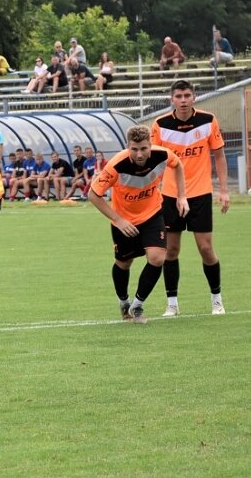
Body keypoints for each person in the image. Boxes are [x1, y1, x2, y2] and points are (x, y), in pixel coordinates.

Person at [88, 125, 188, 324]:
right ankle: (124, 302)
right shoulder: (116, 165)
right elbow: (93, 194)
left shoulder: (163, 155)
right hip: (124, 220)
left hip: (152, 214)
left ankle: (137, 305)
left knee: (157, 257)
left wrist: (182, 196)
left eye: (143, 148)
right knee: (124, 263)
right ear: (128, 146)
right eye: (134, 149)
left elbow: (177, 166)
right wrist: (118, 220)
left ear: (150, 145)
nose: (139, 153)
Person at [151, 79, 230, 316]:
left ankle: (217, 299)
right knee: (171, 251)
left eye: (187, 95)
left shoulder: (208, 120)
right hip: (170, 195)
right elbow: (155, 163)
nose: (183, 100)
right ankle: (172, 304)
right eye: (179, 96)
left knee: (206, 248)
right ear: (171, 99)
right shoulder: (160, 125)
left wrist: (224, 190)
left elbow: (219, 156)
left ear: (194, 97)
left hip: (200, 194)